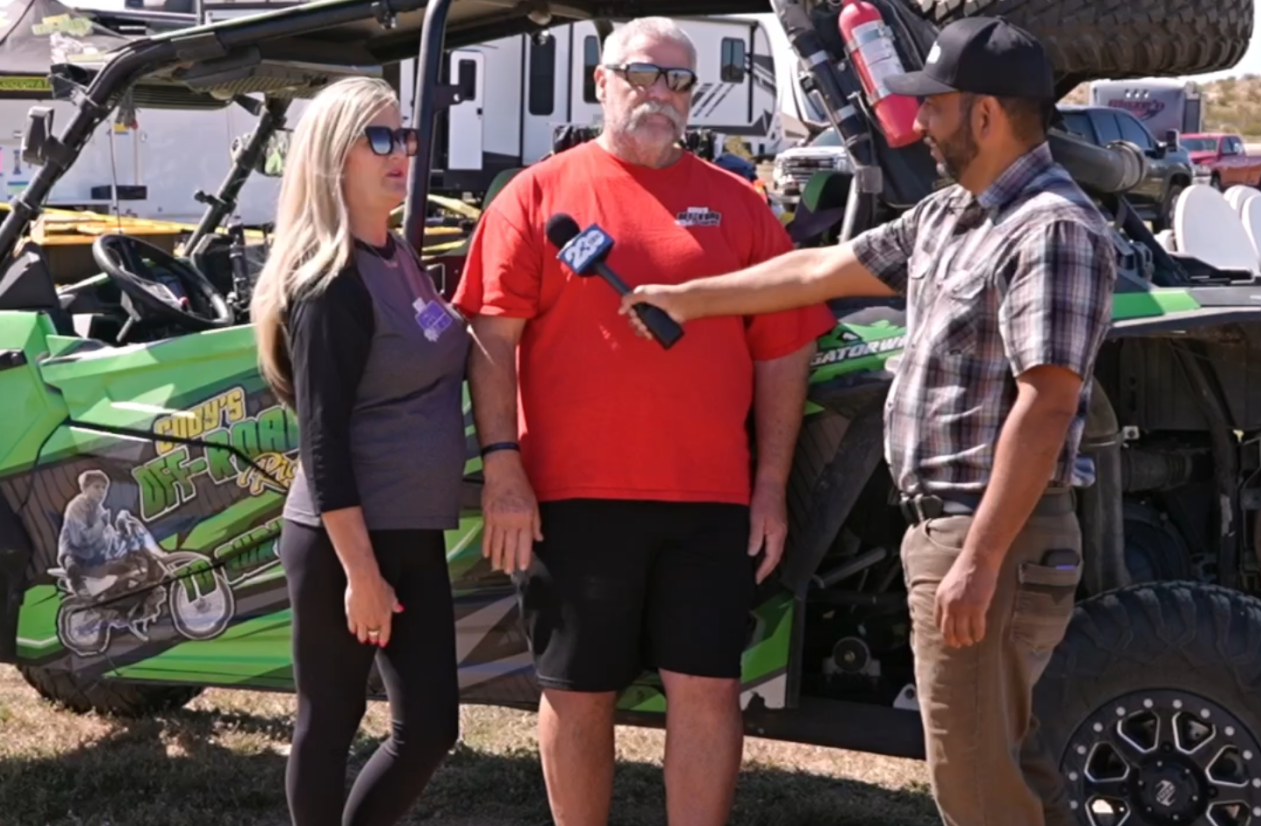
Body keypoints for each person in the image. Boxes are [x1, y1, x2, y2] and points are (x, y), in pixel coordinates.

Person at [618, 17, 1116, 826]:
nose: (917, 123)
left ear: (984, 115)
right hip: (956, 536)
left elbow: (1048, 402)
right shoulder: (953, 216)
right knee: (1005, 776)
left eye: (934, 107)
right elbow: (819, 267)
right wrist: (687, 300)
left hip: (989, 538)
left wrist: (980, 562)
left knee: (978, 794)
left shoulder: (1049, 228)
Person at [451, 16, 835, 826]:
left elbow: (785, 350)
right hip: (572, 498)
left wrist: (769, 486)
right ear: (601, 81)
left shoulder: (739, 206)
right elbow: (491, 337)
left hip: (710, 503)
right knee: (578, 694)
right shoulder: (537, 194)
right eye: (643, 75)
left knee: (709, 692)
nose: (661, 95)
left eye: (679, 82)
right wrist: (502, 466)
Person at [249, 76, 469, 826]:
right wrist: (361, 574)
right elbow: (323, 445)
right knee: (329, 724)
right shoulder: (330, 284)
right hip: (345, 539)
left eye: (403, 135)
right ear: (332, 158)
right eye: (379, 138)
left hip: (414, 528)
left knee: (433, 728)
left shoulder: (397, 252)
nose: (401, 152)